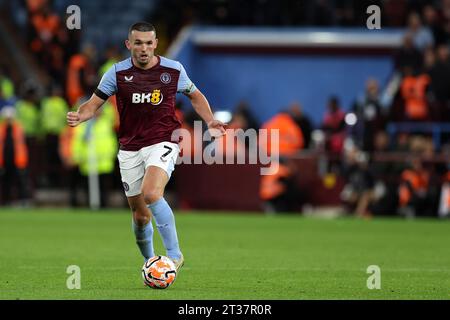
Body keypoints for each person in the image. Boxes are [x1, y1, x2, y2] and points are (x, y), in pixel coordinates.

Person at [66, 22, 226, 276]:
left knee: (152, 193)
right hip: (130, 148)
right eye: (138, 43)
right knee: (140, 217)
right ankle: (152, 263)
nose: (144, 48)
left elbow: (195, 95)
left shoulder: (173, 70)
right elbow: (94, 103)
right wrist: (80, 115)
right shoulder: (116, 73)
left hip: (164, 141)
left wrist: (210, 120)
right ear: (128, 45)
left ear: (155, 44)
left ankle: (174, 255)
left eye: (148, 43)